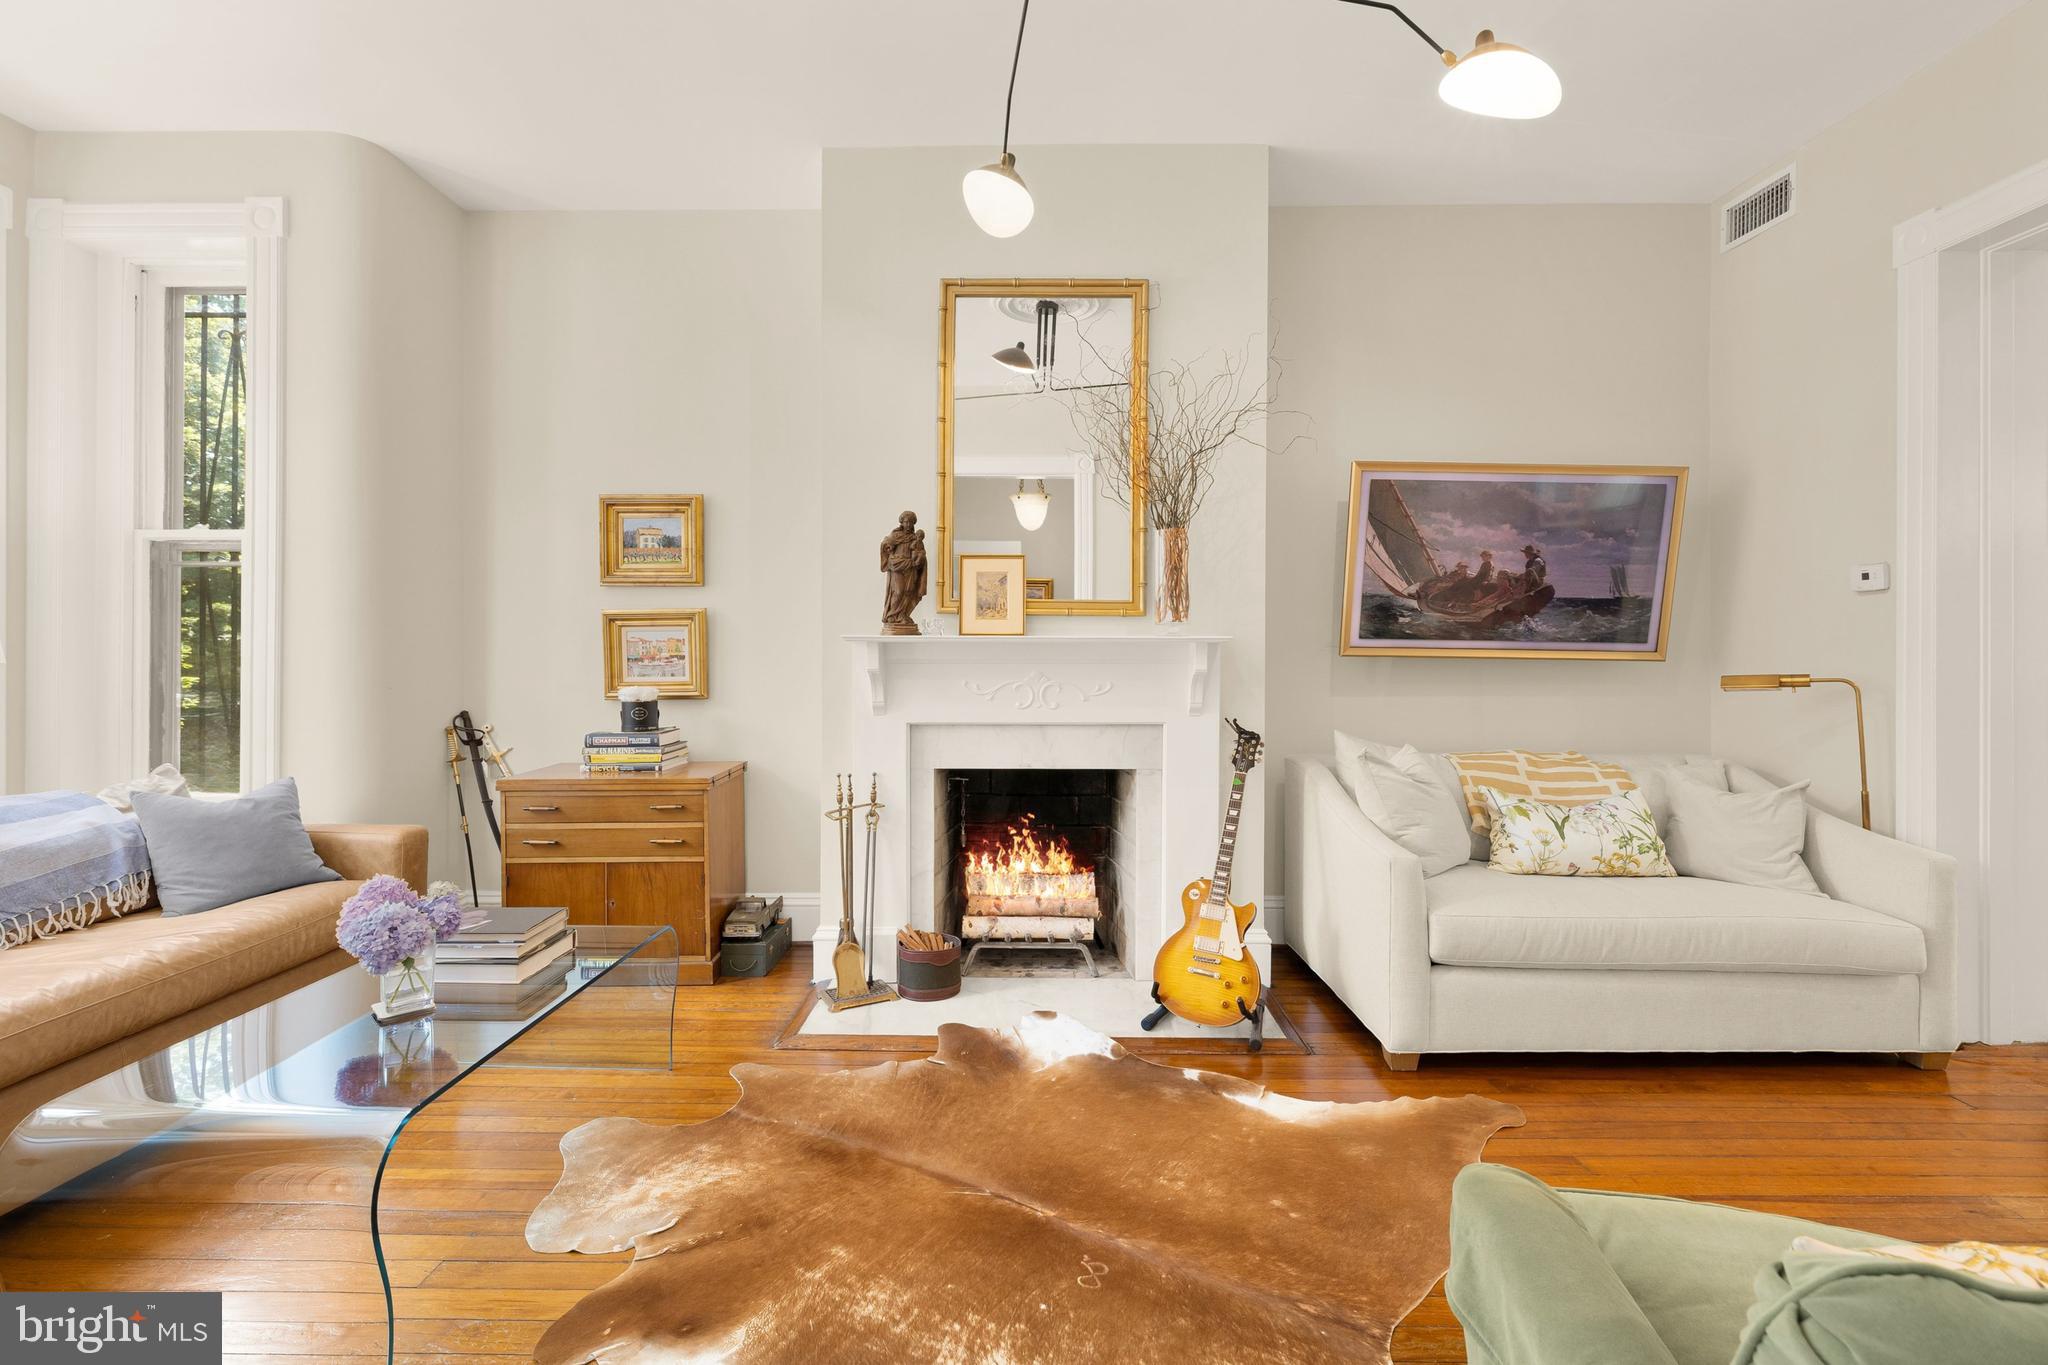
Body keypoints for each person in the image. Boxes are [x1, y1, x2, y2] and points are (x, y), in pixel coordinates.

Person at [879, 511, 927, 635]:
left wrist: (919, 558)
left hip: (911, 567)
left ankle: (903, 615)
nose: (908, 525)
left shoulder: (914, 537)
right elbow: (885, 544)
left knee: (909, 591)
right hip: (898, 566)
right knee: (899, 591)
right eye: (906, 522)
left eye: (911, 522)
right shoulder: (896, 535)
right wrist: (888, 548)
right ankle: (892, 616)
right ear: (901, 522)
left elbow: (921, 552)